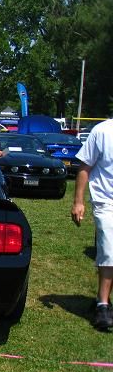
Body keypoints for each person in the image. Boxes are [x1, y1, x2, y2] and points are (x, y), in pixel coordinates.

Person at [72, 117, 113, 330]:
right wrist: (78, 201)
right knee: (108, 252)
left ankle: (103, 299)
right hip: (106, 201)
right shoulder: (102, 131)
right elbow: (84, 166)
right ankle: (103, 306)